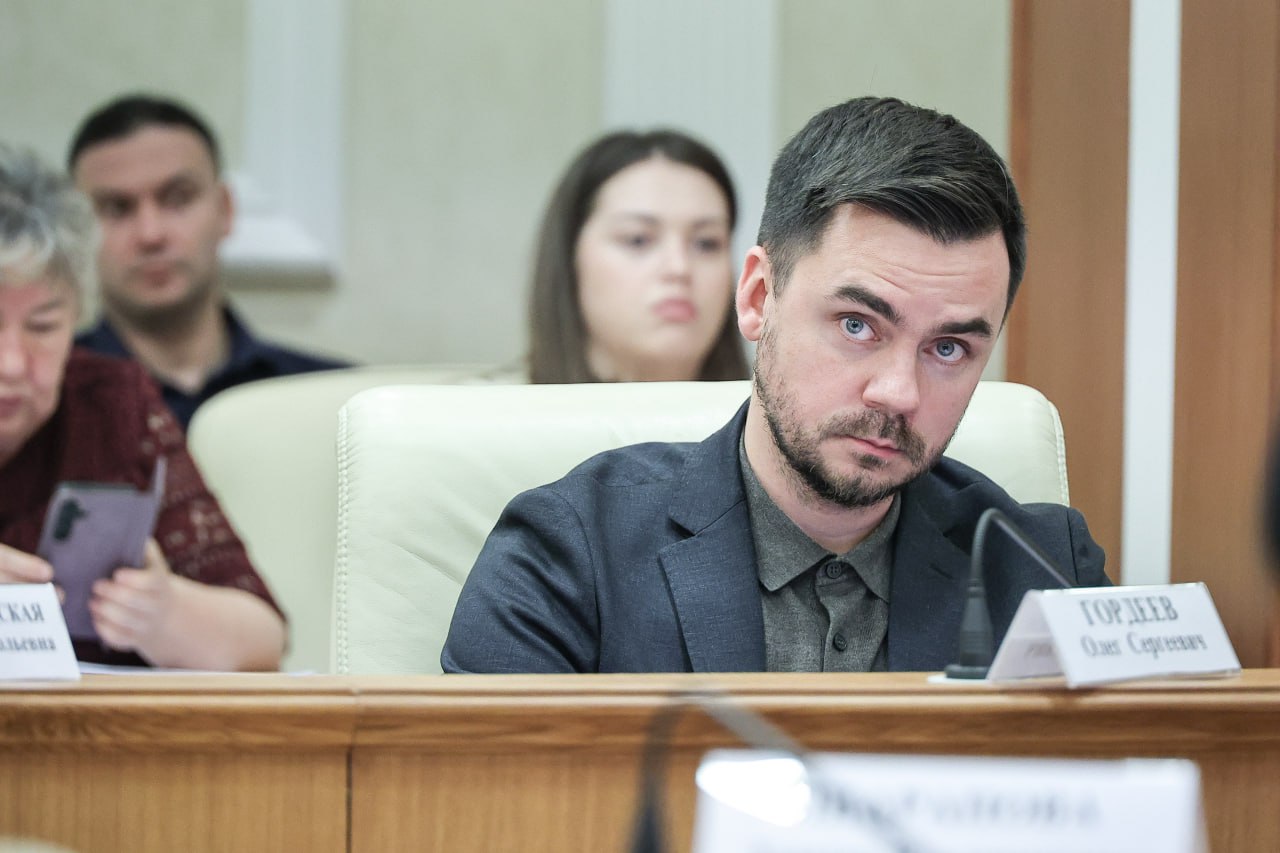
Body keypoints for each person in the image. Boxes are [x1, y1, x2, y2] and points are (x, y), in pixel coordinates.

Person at [442, 96, 1109, 674]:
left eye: (948, 348)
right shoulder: (570, 556)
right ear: (759, 297)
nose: (899, 393)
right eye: (857, 325)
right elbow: (491, 787)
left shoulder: (1047, 573)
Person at [0, 143, 286, 670]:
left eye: (43, 326)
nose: (14, 363)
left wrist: (164, 614)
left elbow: (263, 639)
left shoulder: (113, 404)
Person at [67, 94, 347, 430]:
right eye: (116, 208)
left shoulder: (336, 405)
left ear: (225, 210)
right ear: (77, 232)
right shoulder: (36, 410)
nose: (151, 234)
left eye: (178, 198)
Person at [526, 129, 749, 383]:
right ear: (569, 258)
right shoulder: (496, 406)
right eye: (638, 239)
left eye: (706, 243)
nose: (679, 268)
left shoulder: (777, 406)